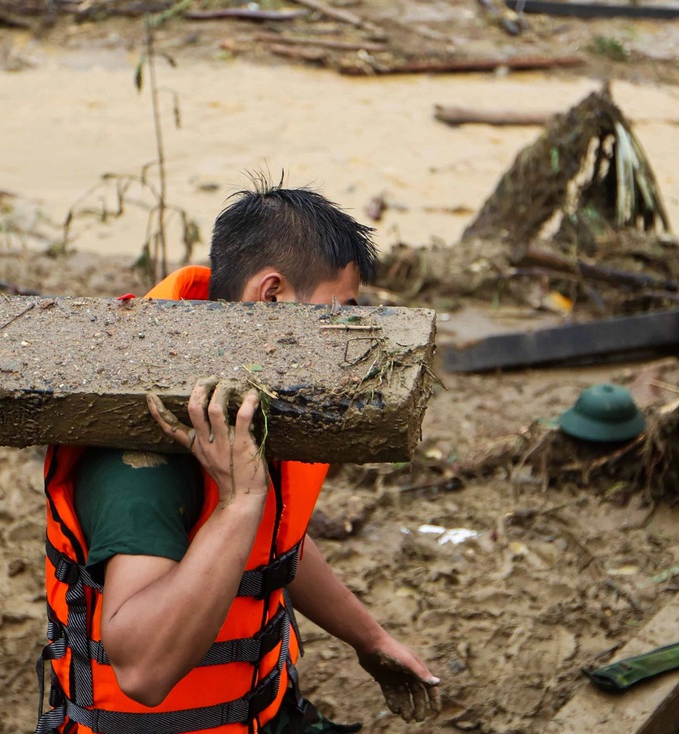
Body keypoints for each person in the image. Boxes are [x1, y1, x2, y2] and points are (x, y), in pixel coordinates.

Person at [36, 183, 441, 734]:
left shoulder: (246, 382)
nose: (345, 335)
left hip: (259, 711)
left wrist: (369, 639)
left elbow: (275, 538)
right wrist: (239, 501)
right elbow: (142, 671)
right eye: (338, 312)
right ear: (271, 295)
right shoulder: (146, 449)